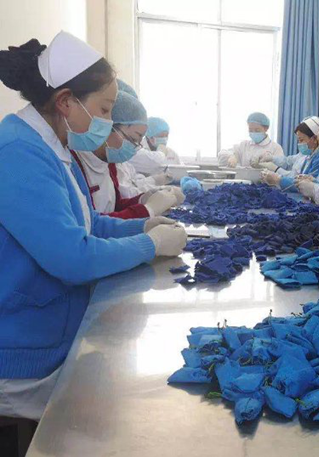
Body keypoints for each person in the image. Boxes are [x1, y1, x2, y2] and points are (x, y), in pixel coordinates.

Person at [0, 32, 187, 420]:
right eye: (104, 110)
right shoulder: (18, 151)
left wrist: (144, 226)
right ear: (66, 101)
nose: (108, 122)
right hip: (23, 354)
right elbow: (72, 257)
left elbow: (89, 224)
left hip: (54, 328)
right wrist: (150, 246)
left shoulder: (55, 146)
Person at [72, 91, 182, 219]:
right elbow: (93, 223)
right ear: (109, 126)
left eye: (138, 142)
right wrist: (148, 209)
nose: (134, 148)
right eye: (132, 139)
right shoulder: (76, 164)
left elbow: (116, 205)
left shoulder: (109, 164)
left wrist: (143, 198)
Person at [260, 116, 319, 190]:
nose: (299, 143)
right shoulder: (309, 156)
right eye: (298, 140)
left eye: (301, 140)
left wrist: (278, 178)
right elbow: (290, 163)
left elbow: (305, 186)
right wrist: (272, 159)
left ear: (314, 138)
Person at [217, 112, 283, 167]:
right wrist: (232, 156)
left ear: (266, 128)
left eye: (257, 130)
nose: (253, 133)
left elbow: (281, 167)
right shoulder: (244, 145)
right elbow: (222, 153)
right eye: (250, 130)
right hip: (244, 178)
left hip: (267, 179)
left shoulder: (275, 148)